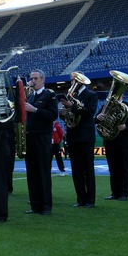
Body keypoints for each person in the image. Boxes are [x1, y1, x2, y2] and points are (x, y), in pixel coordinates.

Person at [60, 73, 98, 209]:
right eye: (71, 80)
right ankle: (80, 198)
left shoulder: (91, 95)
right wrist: (63, 112)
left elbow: (90, 113)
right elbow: (67, 116)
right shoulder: (71, 96)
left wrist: (72, 105)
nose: (71, 83)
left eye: (74, 80)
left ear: (81, 82)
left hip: (86, 137)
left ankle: (90, 200)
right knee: (76, 170)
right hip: (73, 136)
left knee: (88, 169)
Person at [24, 69, 58, 215]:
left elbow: (52, 115)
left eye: (36, 78)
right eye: (32, 78)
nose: (33, 81)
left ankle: (45, 206)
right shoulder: (30, 96)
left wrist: (35, 110)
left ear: (43, 80)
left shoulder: (49, 95)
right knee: (32, 173)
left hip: (43, 138)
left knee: (43, 173)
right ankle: (34, 205)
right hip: (30, 137)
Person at [99, 100, 128, 201]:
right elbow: (97, 119)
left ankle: (124, 193)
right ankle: (115, 193)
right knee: (112, 168)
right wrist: (98, 117)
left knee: (124, 168)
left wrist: (127, 126)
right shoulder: (106, 106)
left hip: (124, 141)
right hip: (110, 141)